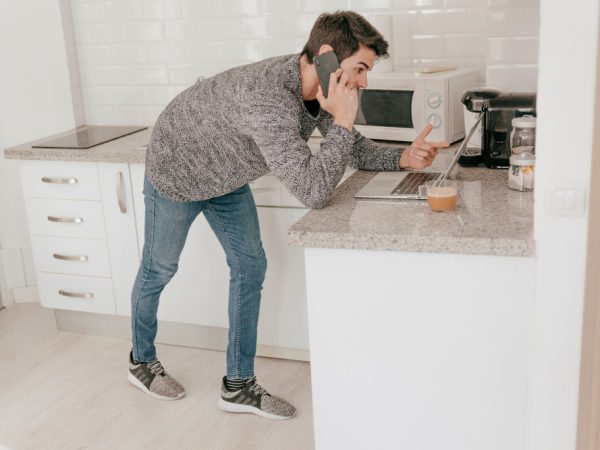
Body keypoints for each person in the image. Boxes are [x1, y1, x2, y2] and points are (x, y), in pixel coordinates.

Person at [127, 10, 447, 420]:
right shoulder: (269, 98)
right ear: (328, 56)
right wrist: (345, 121)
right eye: (361, 68)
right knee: (159, 269)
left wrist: (402, 157)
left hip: (225, 175)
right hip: (177, 167)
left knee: (249, 267)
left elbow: (350, 146)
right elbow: (314, 191)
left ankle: (238, 386)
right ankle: (141, 361)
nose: (365, 82)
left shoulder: (317, 88)